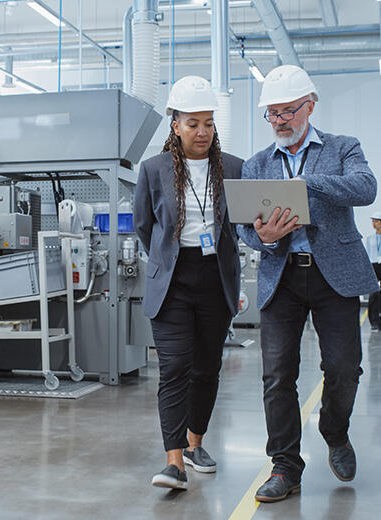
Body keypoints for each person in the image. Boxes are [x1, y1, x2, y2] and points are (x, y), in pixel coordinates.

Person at [236, 65, 379, 503]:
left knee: (343, 369)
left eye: (287, 111)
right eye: (272, 113)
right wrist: (260, 236)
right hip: (281, 277)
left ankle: (334, 431)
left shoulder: (342, 147)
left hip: (333, 276)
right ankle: (286, 465)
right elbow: (242, 227)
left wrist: (306, 183)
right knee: (277, 377)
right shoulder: (258, 163)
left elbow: (365, 187)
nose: (279, 120)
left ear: (309, 106)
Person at [134, 76, 243, 491]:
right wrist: (167, 259)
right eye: (193, 123)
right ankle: (174, 461)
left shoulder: (233, 167)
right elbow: (145, 227)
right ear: (175, 124)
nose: (202, 132)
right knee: (175, 367)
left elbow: (239, 225)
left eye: (209, 123)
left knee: (207, 368)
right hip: (174, 281)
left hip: (216, 279)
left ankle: (197, 444)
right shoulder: (152, 170)